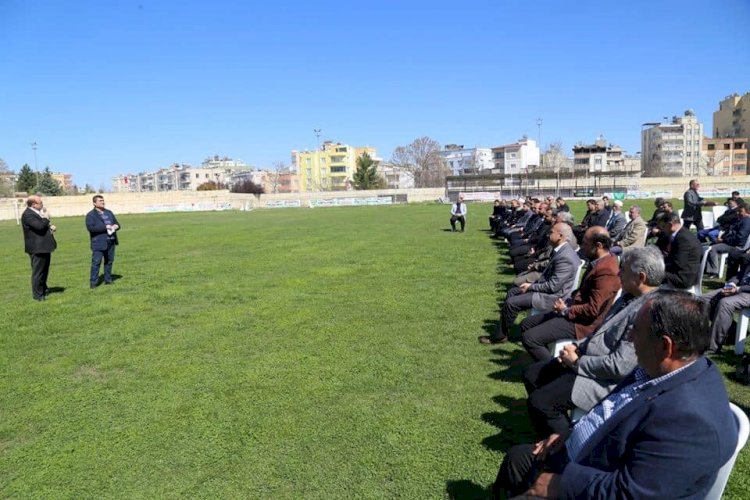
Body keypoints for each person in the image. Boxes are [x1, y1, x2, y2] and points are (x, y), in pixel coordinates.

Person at [493, 292, 738, 499]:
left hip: (595, 481)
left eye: (636, 331)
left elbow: (630, 493)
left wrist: (557, 484)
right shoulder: (657, 369)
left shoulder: (691, 422)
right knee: (518, 459)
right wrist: (570, 432)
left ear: (665, 346)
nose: (630, 338)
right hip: (587, 456)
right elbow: (611, 410)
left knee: (525, 471)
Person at [522, 246, 664, 439]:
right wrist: (577, 347)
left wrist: (577, 362)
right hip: (589, 361)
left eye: (623, 269)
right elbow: (600, 331)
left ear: (641, 277)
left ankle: (568, 448)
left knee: (540, 402)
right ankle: (551, 431)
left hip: (606, 381)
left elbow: (619, 367)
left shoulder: (647, 311)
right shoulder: (629, 297)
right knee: (532, 374)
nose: (618, 272)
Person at [519, 226, 621, 362]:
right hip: (574, 311)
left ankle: (552, 371)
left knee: (530, 338)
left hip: (583, 324)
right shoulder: (599, 261)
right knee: (526, 324)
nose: (581, 247)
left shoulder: (607, 271)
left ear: (598, 245)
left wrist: (566, 310)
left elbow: (593, 309)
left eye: (585, 243)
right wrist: (567, 303)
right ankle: (542, 360)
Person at [479, 223, 580, 345]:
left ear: (560, 236)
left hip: (552, 297)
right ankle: (505, 328)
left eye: (551, 232)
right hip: (545, 290)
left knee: (511, 303)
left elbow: (553, 286)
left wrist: (531, 286)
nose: (548, 235)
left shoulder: (566, 257)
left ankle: (500, 336)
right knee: (513, 291)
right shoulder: (561, 250)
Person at [703, 261, 750, 353]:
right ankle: (733, 331)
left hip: (747, 292)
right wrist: (731, 284)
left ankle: (713, 347)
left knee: (726, 303)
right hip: (740, 288)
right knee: (704, 300)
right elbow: (739, 274)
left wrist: (739, 289)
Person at [21, 195, 57, 301]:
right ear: (33, 204)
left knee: (45, 270)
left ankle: (44, 288)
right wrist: (46, 218)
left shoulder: (36, 213)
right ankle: (38, 295)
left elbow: (42, 226)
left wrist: (50, 226)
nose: (42, 204)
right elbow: (39, 226)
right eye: (40, 203)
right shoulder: (28, 214)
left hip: (44, 246)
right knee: (38, 272)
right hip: (37, 248)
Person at [656, 212, 703, 290]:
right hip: (679, 272)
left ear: (670, 225)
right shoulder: (680, 234)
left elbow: (678, 263)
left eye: (663, 227)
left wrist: (657, 266)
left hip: (683, 277)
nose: (662, 230)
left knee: (650, 273)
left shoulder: (683, 239)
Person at [705, 202, 750, 277]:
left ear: (748, 212)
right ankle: (706, 269)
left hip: (736, 246)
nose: (738, 213)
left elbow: (740, 238)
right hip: (730, 242)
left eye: (740, 211)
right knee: (709, 245)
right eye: (738, 211)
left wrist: (723, 240)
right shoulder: (741, 220)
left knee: (713, 248)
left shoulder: (746, 222)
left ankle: (713, 272)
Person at [86, 195, 121, 288]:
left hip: (111, 241)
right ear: (94, 203)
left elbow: (117, 224)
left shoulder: (109, 212)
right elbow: (91, 228)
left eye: (103, 200)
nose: (103, 202)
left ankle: (108, 280)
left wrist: (115, 226)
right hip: (98, 243)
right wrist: (105, 227)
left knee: (109, 262)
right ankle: (93, 283)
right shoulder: (90, 215)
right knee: (96, 263)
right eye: (100, 201)